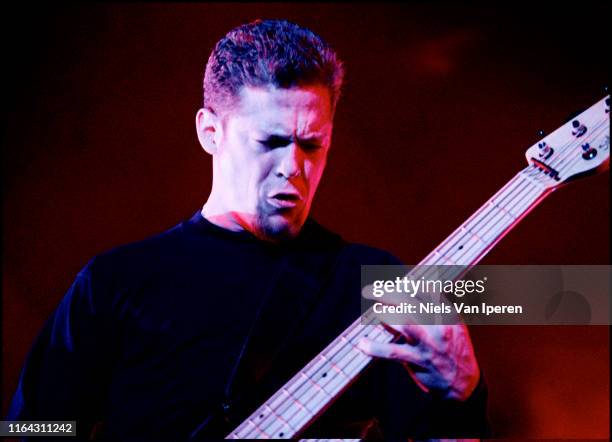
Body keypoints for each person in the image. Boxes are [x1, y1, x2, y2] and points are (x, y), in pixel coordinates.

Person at [7, 19, 490, 440]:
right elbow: (29, 425)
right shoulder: (116, 281)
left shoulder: (377, 283)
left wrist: (462, 395)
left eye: (311, 144)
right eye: (271, 141)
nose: (293, 167)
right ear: (209, 132)